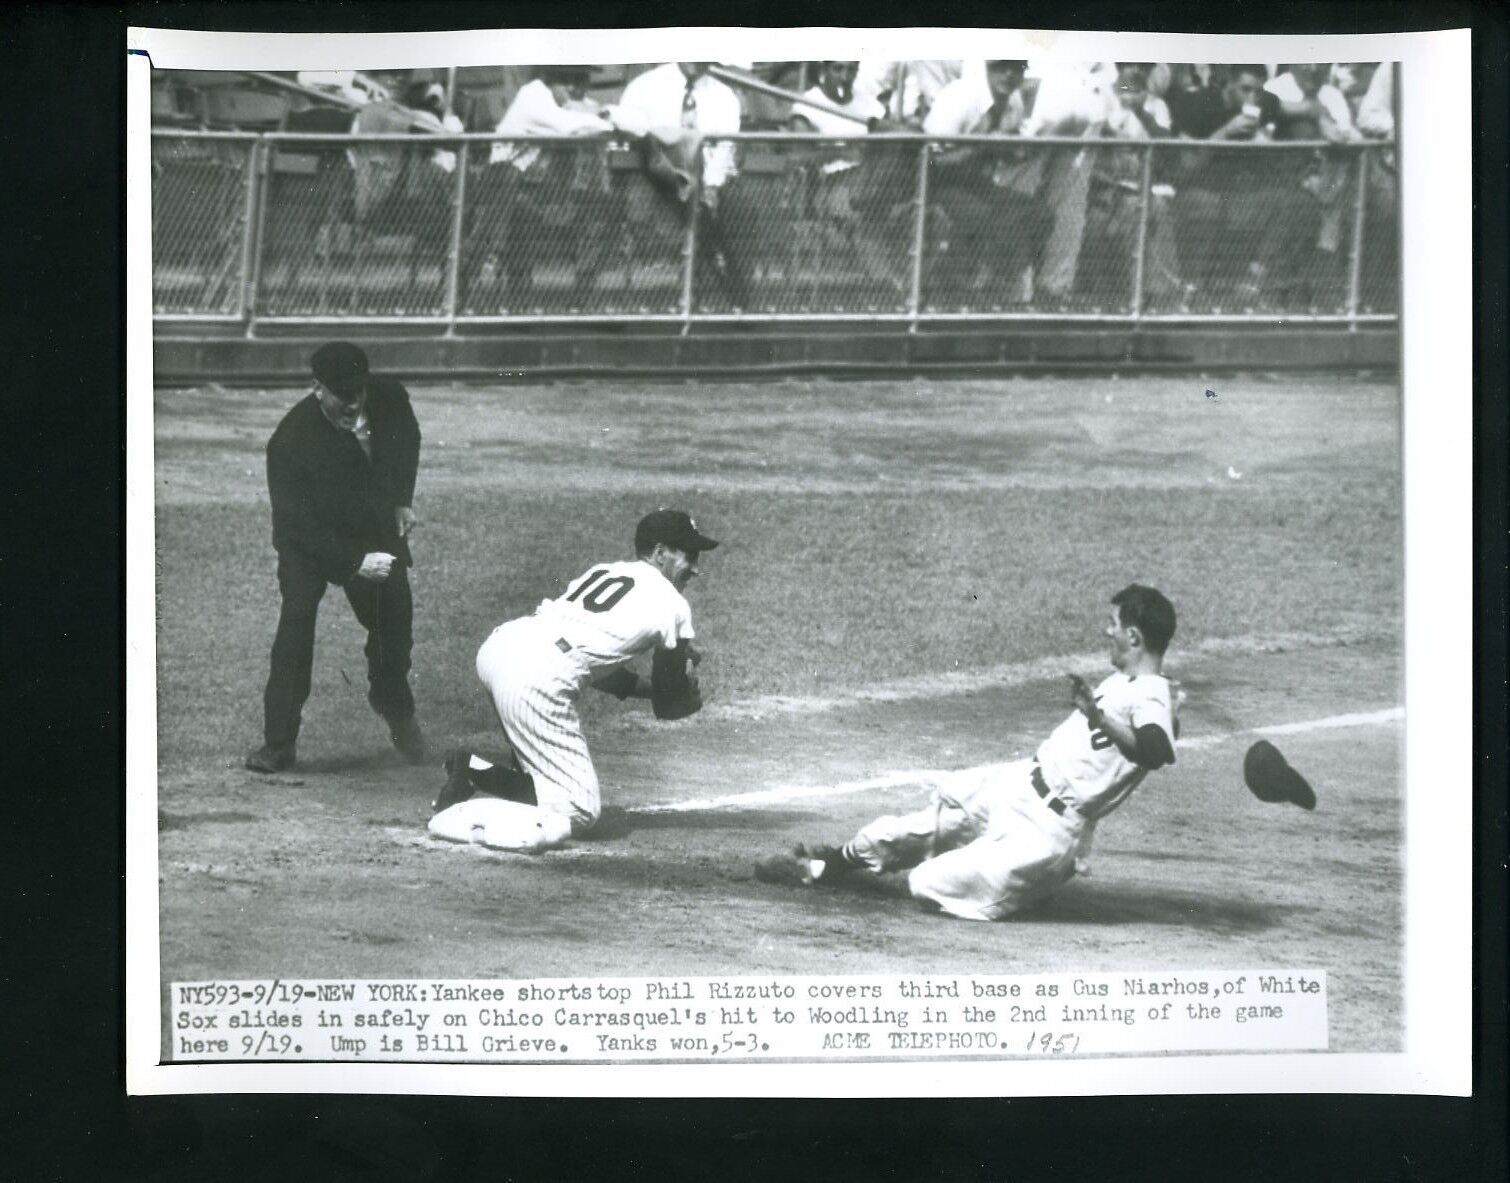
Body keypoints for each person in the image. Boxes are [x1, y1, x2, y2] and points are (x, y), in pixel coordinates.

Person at [756, 585, 1179, 921]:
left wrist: (1099, 717)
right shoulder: (1128, 681)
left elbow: (1157, 750)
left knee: (926, 883)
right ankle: (823, 868)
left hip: (1046, 832)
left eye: (1113, 624)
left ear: (1134, 635)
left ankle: (1029, 890)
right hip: (1017, 788)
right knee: (906, 831)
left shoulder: (1152, 693)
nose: (1107, 632)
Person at [428, 509, 719, 852]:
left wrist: (660, 682)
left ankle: (500, 775)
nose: (696, 567)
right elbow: (670, 706)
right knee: (580, 810)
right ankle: (475, 769)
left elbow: (589, 666)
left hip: (502, 647)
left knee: (540, 777)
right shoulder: (673, 604)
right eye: (689, 555)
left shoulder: (606, 571)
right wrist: (687, 689)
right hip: (535, 678)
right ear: (659, 553)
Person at [246, 343, 426, 773]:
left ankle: (393, 706)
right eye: (342, 394)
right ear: (317, 389)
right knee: (297, 621)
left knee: (394, 618)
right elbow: (294, 529)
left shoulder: (389, 398)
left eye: (359, 391)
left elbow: (407, 440)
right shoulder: (289, 443)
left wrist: (401, 499)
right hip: (309, 540)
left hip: (368, 522)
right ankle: (279, 744)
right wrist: (353, 564)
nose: (354, 403)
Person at [465, 66, 617, 311]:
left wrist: (604, 113)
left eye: (581, 79)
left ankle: (584, 298)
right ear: (548, 80)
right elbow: (571, 126)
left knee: (597, 208)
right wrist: (606, 116)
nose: (575, 87)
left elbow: (632, 122)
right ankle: (505, 295)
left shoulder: (576, 102)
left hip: (545, 187)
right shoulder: (533, 96)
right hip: (504, 183)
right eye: (567, 80)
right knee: (516, 208)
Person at [611, 62, 753, 307]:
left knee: (736, 213)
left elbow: (725, 148)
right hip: (656, 178)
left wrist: (711, 186)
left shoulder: (724, 96)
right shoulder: (645, 86)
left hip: (705, 182)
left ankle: (727, 301)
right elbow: (625, 132)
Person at [922, 60, 1055, 306]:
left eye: (1016, 68)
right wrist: (982, 145)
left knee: (1039, 213)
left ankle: (992, 284)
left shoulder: (1013, 101)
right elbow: (927, 161)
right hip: (933, 183)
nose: (1008, 74)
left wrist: (1019, 149)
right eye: (1001, 67)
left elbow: (1004, 154)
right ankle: (962, 288)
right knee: (993, 220)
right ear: (987, 68)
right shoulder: (960, 97)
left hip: (973, 183)